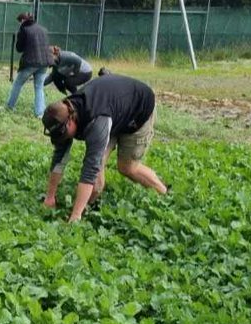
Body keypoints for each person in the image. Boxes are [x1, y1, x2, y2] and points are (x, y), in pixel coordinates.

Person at [41, 73, 168, 223]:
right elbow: (59, 157)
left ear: (70, 121)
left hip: (138, 109)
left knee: (127, 168)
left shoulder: (96, 122)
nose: (62, 138)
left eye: (62, 134)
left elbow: (90, 169)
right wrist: (50, 196)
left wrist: (75, 217)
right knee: (96, 182)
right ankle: (88, 207)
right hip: (114, 111)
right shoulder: (62, 113)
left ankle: (164, 194)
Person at [6, 11, 54, 117]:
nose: (19, 24)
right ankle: (40, 113)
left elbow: (19, 48)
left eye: (20, 21)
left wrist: (19, 37)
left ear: (23, 20)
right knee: (39, 87)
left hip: (31, 62)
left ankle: (10, 106)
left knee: (18, 83)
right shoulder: (43, 29)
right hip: (45, 62)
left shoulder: (24, 29)